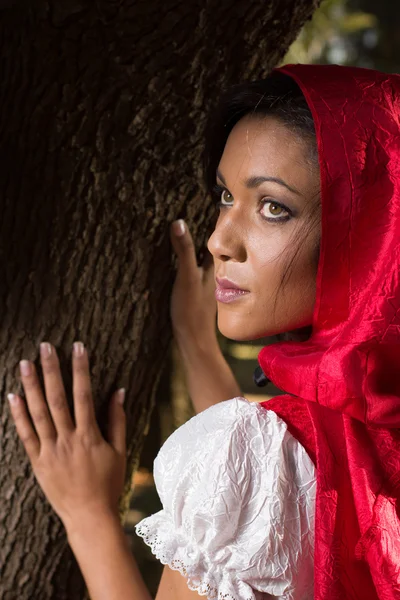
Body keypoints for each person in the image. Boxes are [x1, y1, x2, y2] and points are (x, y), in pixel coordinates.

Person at [7, 64, 400, 600]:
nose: (219, 241)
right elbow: (289, 481)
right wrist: (197, 344)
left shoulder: (252, 450)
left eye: (272, 207)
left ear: (371, 239)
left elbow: (268, 471)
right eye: (224, 196)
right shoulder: (375, 419)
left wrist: (88, 517)